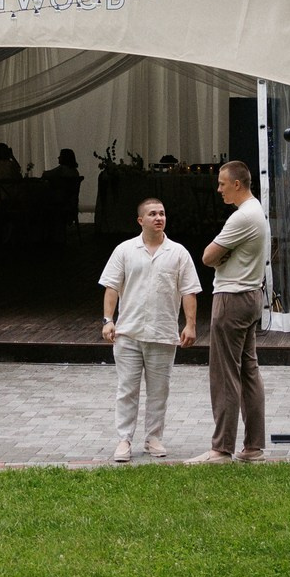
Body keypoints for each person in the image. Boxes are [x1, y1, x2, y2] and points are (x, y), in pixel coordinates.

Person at [98, 197, 199, 460]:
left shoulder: (178, 253)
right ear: (140, 220)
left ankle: (154, 438)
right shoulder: (124, 250)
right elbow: (112, 286)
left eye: (162, 213)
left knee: (159, 391)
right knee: (127, 389)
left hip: (163, 333)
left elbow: (189, 291)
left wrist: (189, 325)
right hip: (128, 333)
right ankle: (124, 439)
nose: (159, 218)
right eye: (153, 214)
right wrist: (108, 319)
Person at [193, 158, 269, 463]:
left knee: (225, 373)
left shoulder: (242, 217)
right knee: (249, 370)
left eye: (222, 184)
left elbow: (208, 256)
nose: (219, 189)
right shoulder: (257, 210)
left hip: (232, 298)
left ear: (237, 184)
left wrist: (222, 258)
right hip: (251, 295)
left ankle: (221, 449)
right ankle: (253, 447)